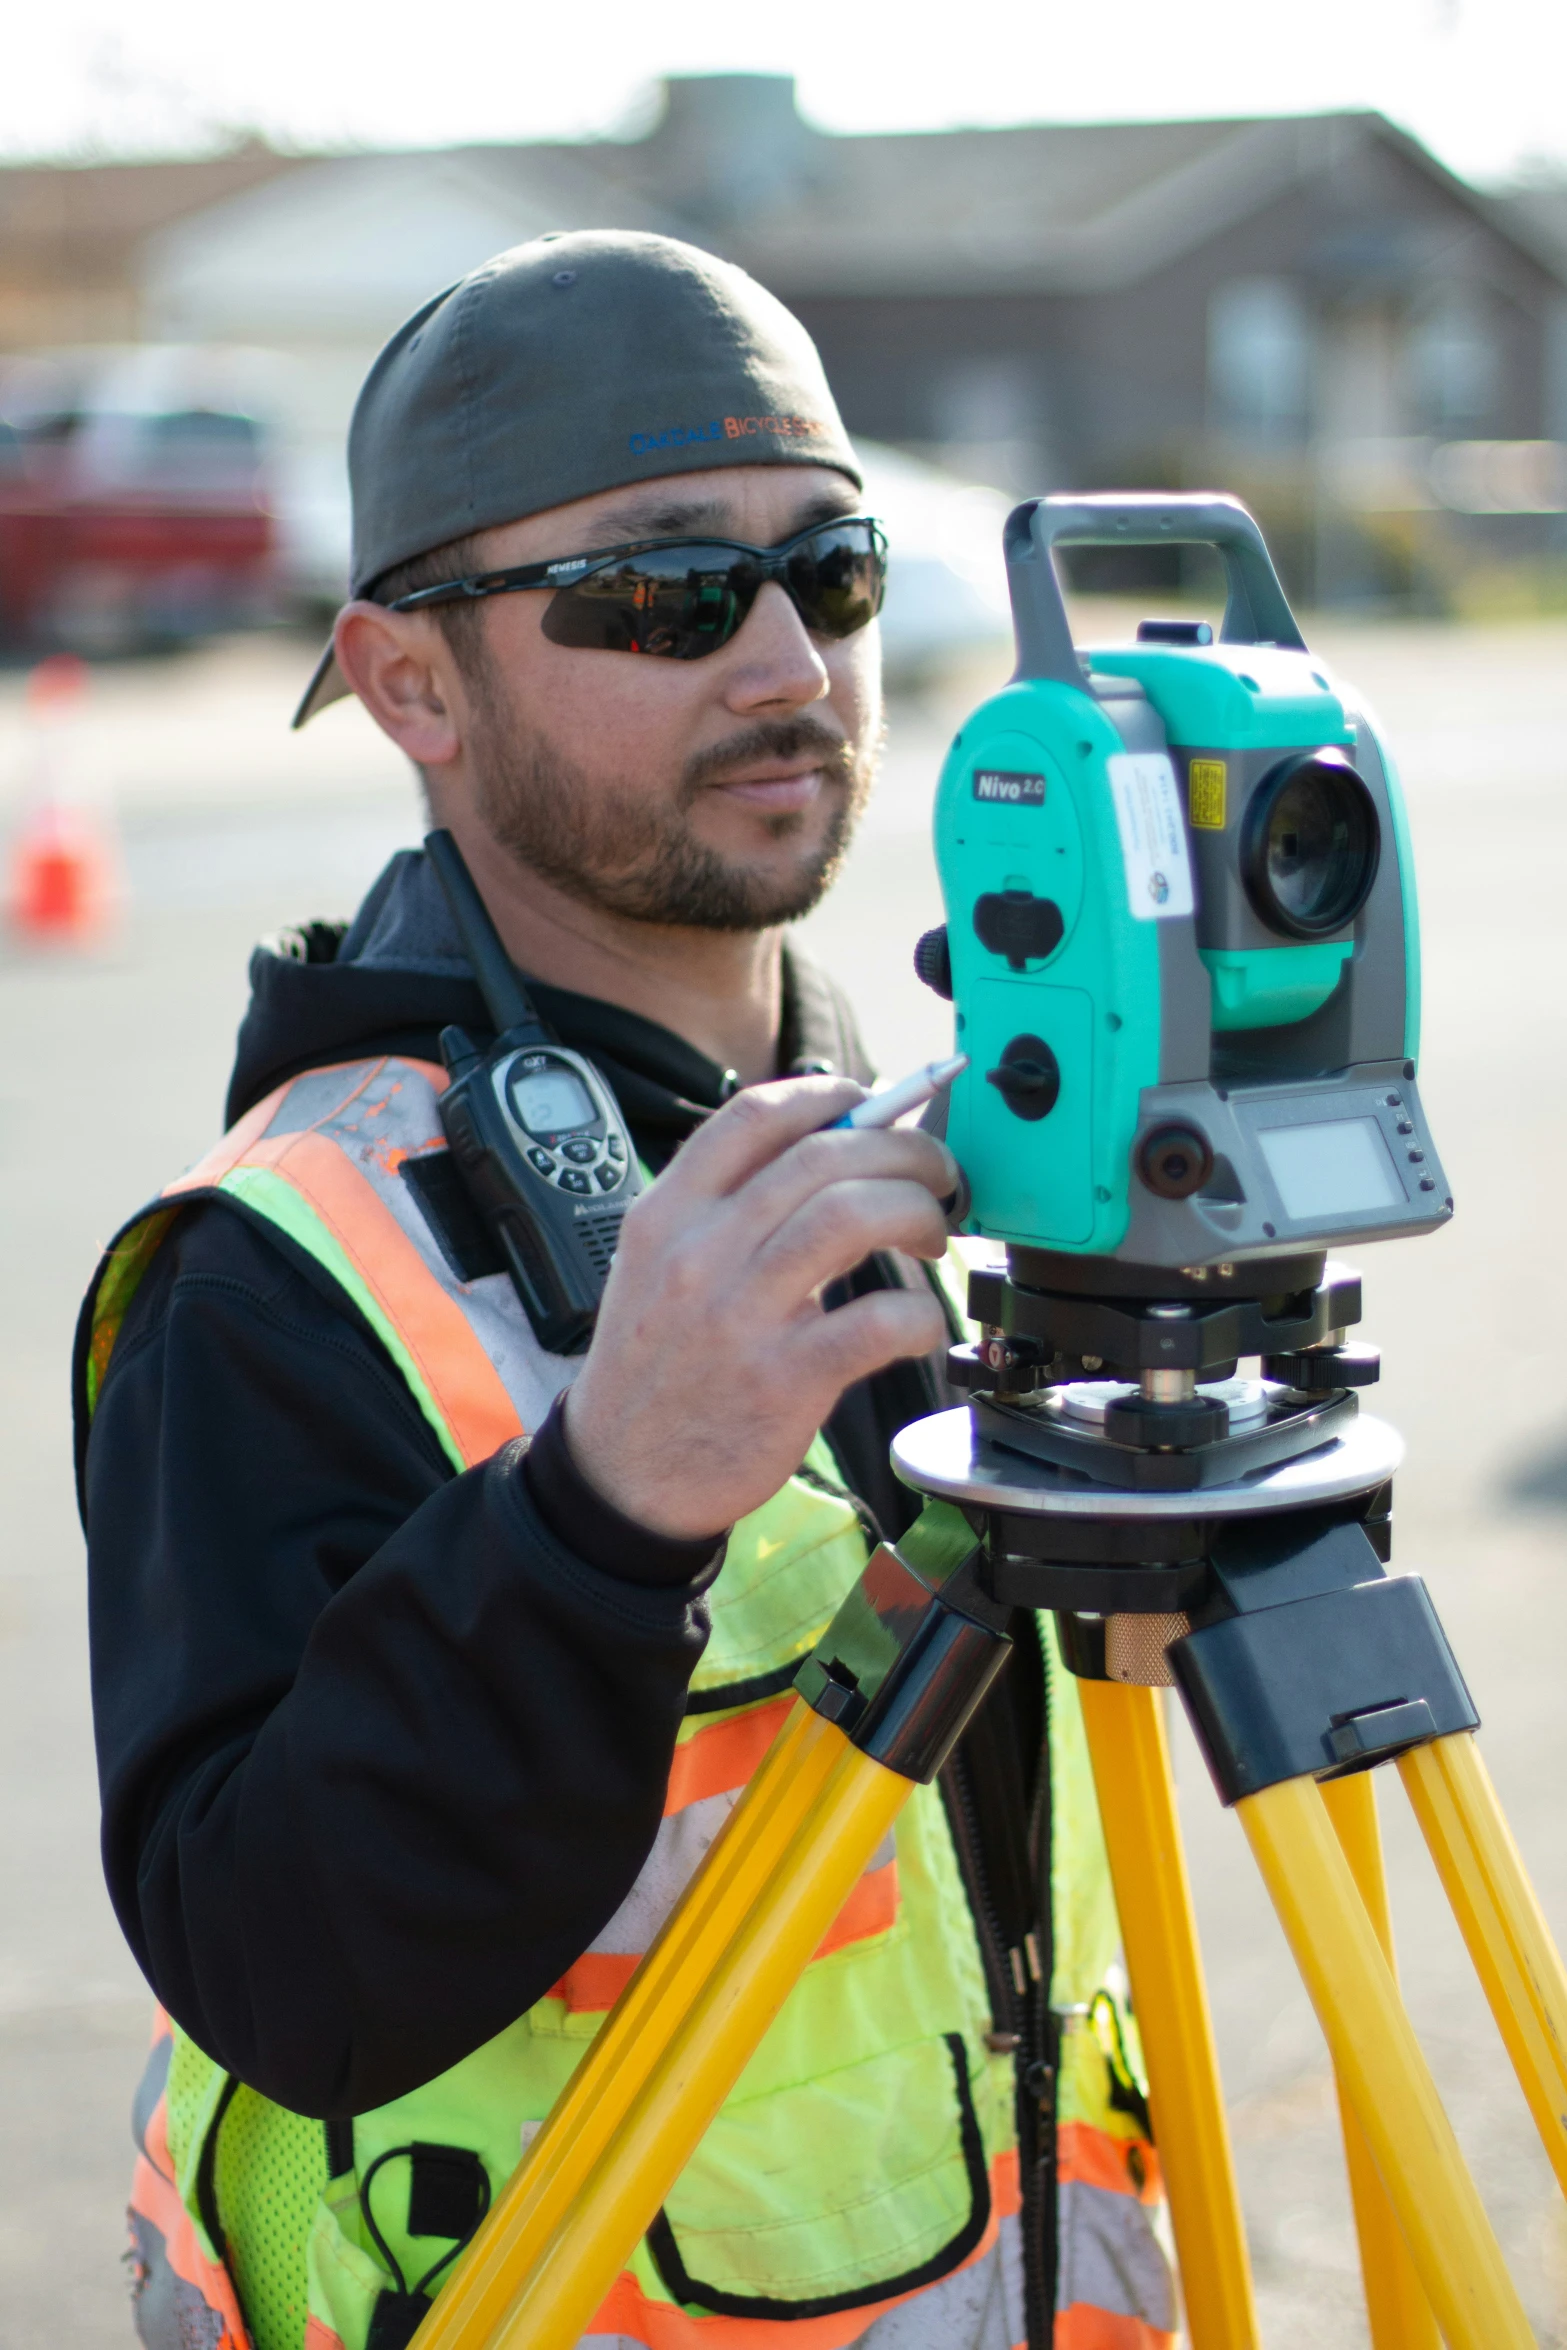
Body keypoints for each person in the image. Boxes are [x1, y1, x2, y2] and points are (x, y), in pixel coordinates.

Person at [76, 231, 1175, 2350]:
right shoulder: (278, 1272)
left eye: (829, 571)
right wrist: (599, 1513)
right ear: (412, 683)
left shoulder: (905, 1131)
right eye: (664, 592)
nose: (784, 659)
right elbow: (284, 1968)